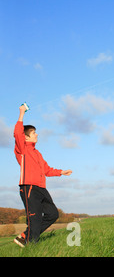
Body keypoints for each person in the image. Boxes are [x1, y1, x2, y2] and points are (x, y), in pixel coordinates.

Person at [13, 104, 73, 247]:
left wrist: (61, 172)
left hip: (41, 189)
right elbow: (17, 133)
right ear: (26, 137)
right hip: (29, 189)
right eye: (34, 133)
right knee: (34, 220)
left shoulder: (37, 153)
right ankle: (32, 247)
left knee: (53, 214)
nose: (37, 134)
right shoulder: (22, 150)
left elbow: (46, 169)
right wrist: (22, 113)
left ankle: (25, 236)